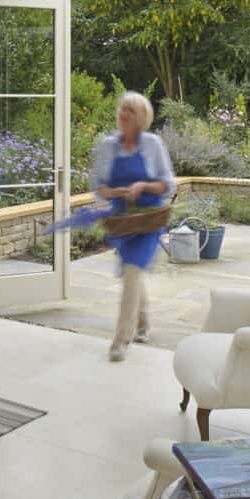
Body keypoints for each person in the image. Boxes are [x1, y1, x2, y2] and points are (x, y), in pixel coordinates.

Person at [92, 91, 175, 362]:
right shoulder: (107, 146)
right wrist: (113, 193)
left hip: (148, 217)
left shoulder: (153, 144)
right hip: (122, 220)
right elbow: (98, 186)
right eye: (121, 109)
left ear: (140, 118)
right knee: (133, 273)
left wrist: (142, 186)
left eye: (129, 110)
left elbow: (167, 184)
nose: (122, 114)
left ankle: (120, 341)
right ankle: (143, 323)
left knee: (131, 271)